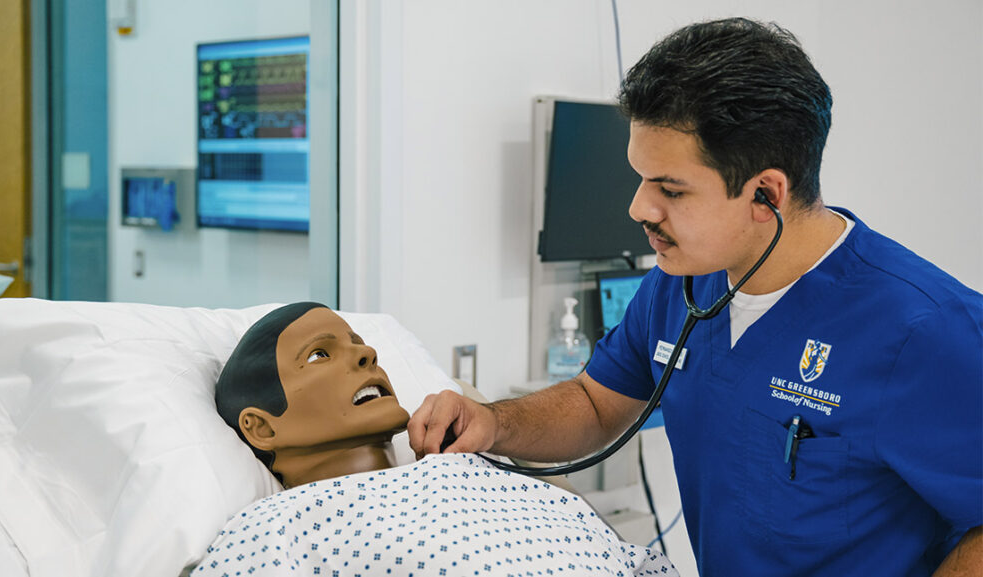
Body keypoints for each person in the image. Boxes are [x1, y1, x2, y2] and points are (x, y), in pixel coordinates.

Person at [408, 17, 983, 577]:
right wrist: (494, 422)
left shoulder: (926, 330)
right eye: (640, 177)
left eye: (671, 189)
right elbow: (596, 402)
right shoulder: (681, 282)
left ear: (766, 194)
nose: (639, 208)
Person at [200, 302, 678, 576]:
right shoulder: (275, 531)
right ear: (262, 426)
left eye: (357, 342)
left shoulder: (473, 467)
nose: (366, 354)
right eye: (320, 355)